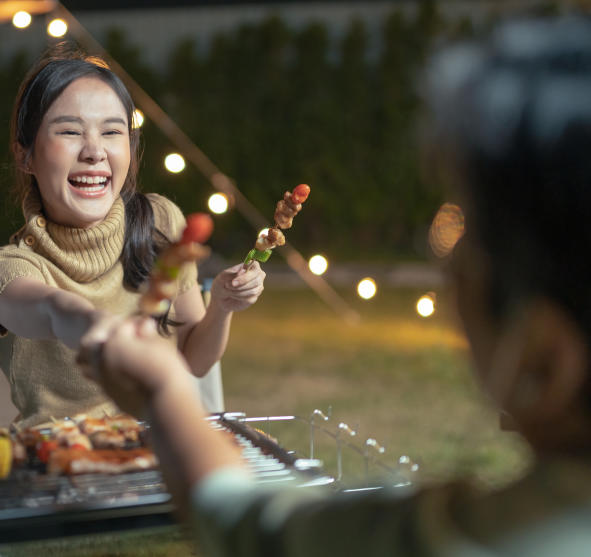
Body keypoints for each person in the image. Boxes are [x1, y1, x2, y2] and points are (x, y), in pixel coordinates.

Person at [80, 17, 591, 557]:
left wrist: (164, 391)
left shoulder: (460, 538)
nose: (444, 260)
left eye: (458, 232)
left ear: (544, 362)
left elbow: (242, 522)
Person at [0, 47, 266, 429]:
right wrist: (98, 327)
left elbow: (193, 361)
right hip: (61, 462)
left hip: (157, 451)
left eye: (112, 132)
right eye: (69, 131)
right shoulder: (6, 267)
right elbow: (50, 309)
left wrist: (222, 307)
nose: (95, 151)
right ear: (24, 155)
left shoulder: (161, 223)